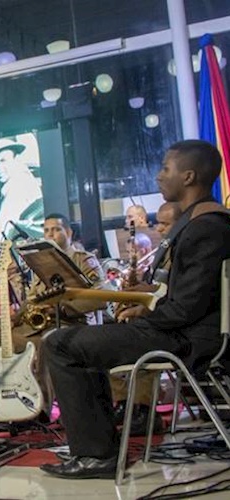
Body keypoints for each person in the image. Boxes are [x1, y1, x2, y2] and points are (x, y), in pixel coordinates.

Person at [41, 140, 230, 479]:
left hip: (188, 338)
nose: (159, 177)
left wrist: (146, 314)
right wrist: (148, 300)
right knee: (76, 341)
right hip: (182, 329)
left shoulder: (207, 227)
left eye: (165, 169)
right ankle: (98, 446)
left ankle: (97, 455)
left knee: (60, 344)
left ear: (188, 176)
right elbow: (188, 295)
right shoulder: (201, 222)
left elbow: (188, 307)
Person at [0, 213, 105, 418]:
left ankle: (40, 410)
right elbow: (33, 298)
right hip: (41, 324)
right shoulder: (40, 264)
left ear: (68, 233)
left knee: (47, 343)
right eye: (46, 230)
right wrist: (13, 319)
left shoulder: (84, 260)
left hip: (73, 324)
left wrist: (62, 309)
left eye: (56, 229)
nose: (50, 234)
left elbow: (101, 297)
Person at [0, 138, 44, 256]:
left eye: (3, 160)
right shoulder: (24, 178)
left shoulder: (17, 186)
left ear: (16, 159)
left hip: (8, 256)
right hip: (19, 249)